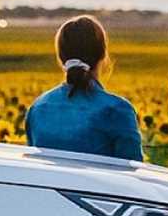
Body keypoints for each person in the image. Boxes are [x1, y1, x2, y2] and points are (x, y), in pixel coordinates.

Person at [26, 15, 142, 161]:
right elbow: (132, 173)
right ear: (103, 55)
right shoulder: (117, 110)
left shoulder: (38, 107)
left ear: (61, 57)